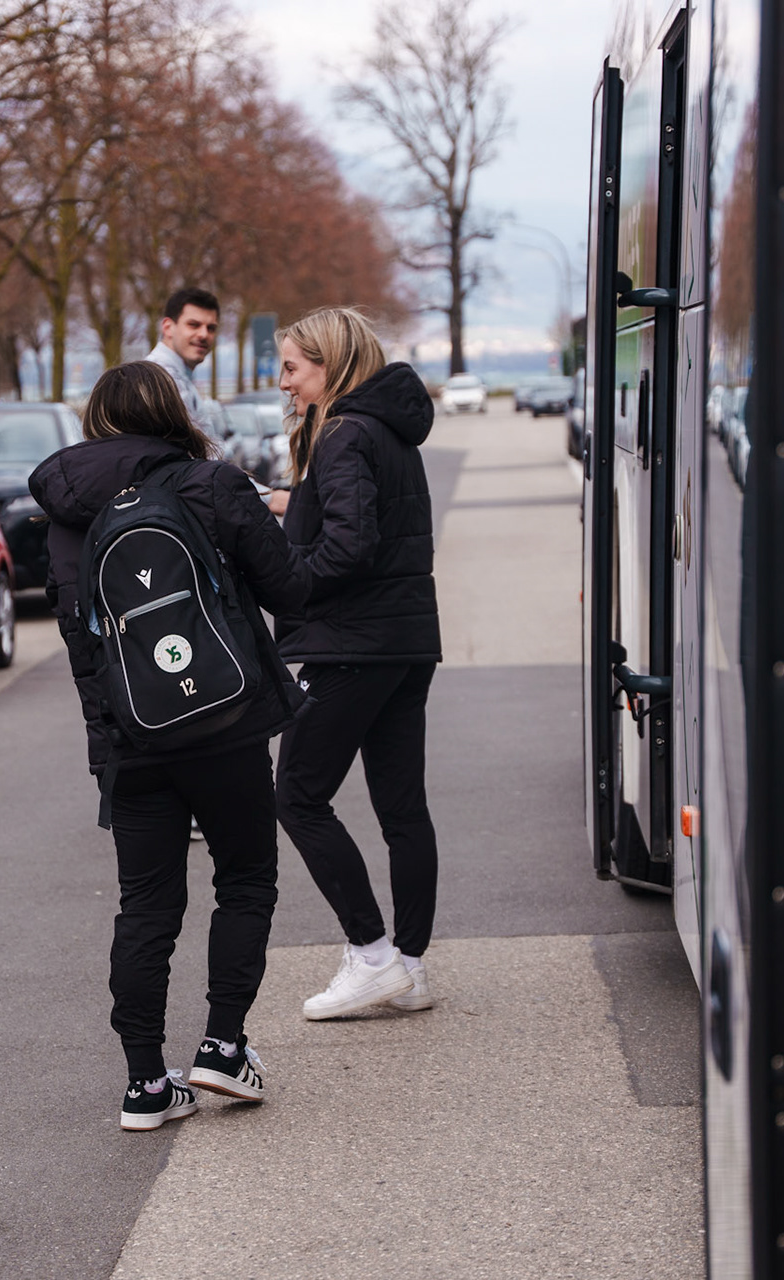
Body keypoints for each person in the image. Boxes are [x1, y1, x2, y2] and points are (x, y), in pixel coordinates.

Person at [28, 360, 310, 1131]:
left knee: (145, 906)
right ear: (171, 412)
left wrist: (108, 740)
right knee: (246, 879)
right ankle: (223, 1047)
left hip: (130, 738)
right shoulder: (210, 484)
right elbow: (288, 589)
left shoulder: (64, 515)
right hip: (227, 726)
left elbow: (81, 644)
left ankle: (147, 1085)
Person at [271, 307, 443, 1020]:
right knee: (403, 808)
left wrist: (289, 578)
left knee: (298, 796)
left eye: (292, 368)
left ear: (330, 364)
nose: (283, 384)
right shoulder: (390, 431)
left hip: (351, 646)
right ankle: (409, 965)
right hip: (406, 641)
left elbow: (350, 546)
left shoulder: (341, 433)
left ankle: (371, 955)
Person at [145, 287, 224, 435]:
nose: (204, 334)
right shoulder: (158, 382)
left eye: (211, 328)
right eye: (193, 325)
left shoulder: (179, 378)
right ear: (168, 328)